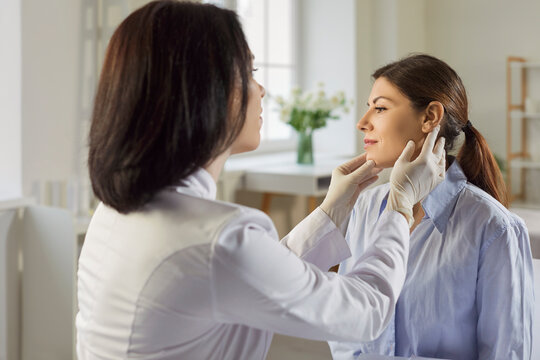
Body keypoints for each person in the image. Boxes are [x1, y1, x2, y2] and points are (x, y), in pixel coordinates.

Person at [75, 2, 445, 360]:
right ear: (208, 92)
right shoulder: (220, 238)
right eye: (250, 74)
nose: (261, 90)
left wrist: (333, 208)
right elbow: (365, 311)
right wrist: (399, 206)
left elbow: (257, 274)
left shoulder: (115, 212)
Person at [329, 54, 534, 360]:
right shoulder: (365, 207)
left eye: (380, 108)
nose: (363, 123)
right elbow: (346, 325)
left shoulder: (494, 228)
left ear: (429, 117)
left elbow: (509, 352)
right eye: (368, 107)